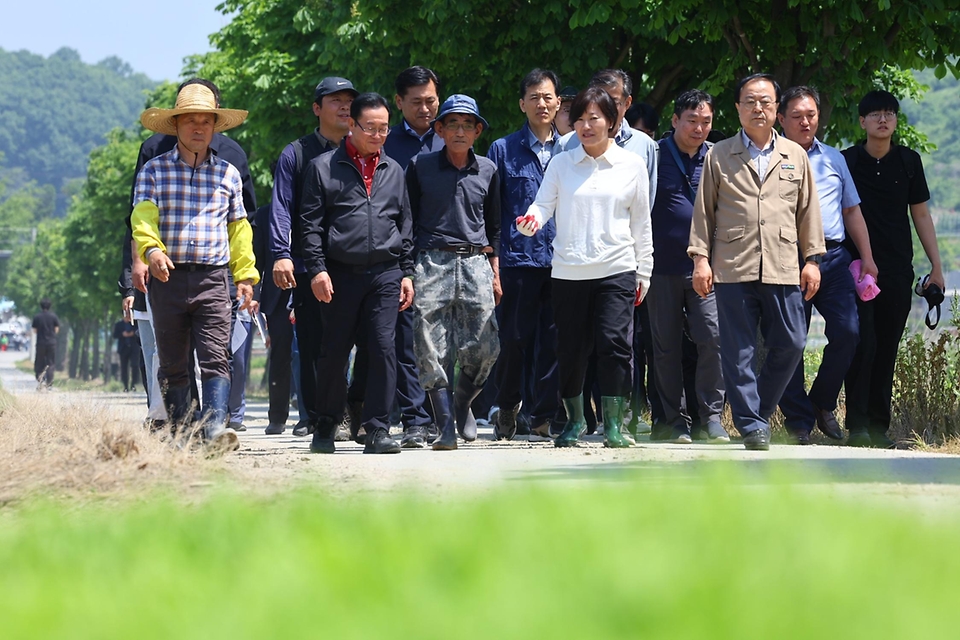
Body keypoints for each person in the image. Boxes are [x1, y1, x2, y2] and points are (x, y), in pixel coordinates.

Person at [688, 73, 824, 451]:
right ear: (737, 108)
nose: (758, 108)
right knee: (738, 350)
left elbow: (808, 213)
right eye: (750, 101)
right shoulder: (719, 154)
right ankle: (751, 426)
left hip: (783, 262)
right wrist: (700, 259)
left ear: (776, 108)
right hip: (732, 263)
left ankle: (756, 413)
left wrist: (812, 260)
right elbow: (704, 213)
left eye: (765, 101)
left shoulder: (795, 155)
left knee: (793, 342)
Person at [517, 87, 653, 448]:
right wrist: (530, 220)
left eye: (594, 118)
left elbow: (642, 223)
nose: (586, 126)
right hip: (569, 271)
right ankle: (575, 421)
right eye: (579, 119)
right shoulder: (562, 164)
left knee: (614, 346)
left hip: (618, 268)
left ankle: (612, 426)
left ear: (612, 121)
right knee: (571, 349)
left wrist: (645, 271)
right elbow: (542, 205)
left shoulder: (632, 165)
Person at [120, 78, 257, 429]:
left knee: (216, 358)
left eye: (206, 120)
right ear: (176, 124)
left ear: (215, 126)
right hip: (169, 278)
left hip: (213, 279)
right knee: (172, 362)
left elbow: (239, 228)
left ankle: (212, 432)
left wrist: (245, 275)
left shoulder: (229, 173)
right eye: (191, 120)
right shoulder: (154, 170)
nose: (199, 128)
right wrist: (150, 251)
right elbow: (142, 217)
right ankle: (182, 433)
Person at [299, 92, 414, 455]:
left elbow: (405, 225)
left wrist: (407, 273)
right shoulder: (322, 168)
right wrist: (317, 269)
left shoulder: (393, 170)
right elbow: (310, 226)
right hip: (339, 273)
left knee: (382, 349)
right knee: (334, 351)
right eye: (371, 128)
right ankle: (327, 423)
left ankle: (377, 428)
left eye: (384, 128)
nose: (379, 135)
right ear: (352, 124)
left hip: (385, 272)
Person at [776, 86, 878, 445]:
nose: (806, 122)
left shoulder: (834, 158)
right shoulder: (769, 158)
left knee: (849, 333)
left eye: (812, 115)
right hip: (786, 258)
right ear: (781, 118)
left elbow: (851, 210)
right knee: (791, 341)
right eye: (798, 116)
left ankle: (821, 402)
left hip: (834, 258)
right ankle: (798, 422)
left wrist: (866, 257)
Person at [842, 90, 944, 448]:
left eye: (889, 113)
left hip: (898, 268)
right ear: (862, 122)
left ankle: (878, 427)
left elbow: (920, 214)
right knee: (860, 344)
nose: (883, 120)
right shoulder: (848, 161)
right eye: (875, 114)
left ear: (895, 120)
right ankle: (856, 426)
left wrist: (936, 265)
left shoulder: (908, 161)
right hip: (855, 267)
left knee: (886, 347)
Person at [406, 94, 501, 451]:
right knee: (430, 345)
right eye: (452, 125)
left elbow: (495, 227)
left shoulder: (488, 170)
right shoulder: (420, 166)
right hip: (432, 260)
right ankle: (445, 426)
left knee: (485, 346)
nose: (460, 131)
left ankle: (462, 402)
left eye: (467, 125)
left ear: (477, 131)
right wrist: (408, 269)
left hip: (476, 261)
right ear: (440, 129)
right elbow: (408, 220)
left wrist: (495, 271)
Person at [269, 76, 358, 438]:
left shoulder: (363, 148)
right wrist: (280, 254)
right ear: (317, 108)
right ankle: (314, 414)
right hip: (308, 265)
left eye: (348, 100)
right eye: (334, 100)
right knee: (311, 343)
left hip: (353, 263)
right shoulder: (296, 153)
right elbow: (281, 207)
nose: (343, 106)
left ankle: (351, 412)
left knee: (355, 341)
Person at [647, 89, 728, 444]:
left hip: (707, 268)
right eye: (692, 120)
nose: (699, 128)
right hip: (660, 265)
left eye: (706, 121)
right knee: (665, 347)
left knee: (712, 338)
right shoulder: (653, 156)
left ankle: (711, 417)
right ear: (675, 120)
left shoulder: (718, 158)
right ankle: (672, 420)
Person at [487, 68, 563, 442]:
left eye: (548, 96)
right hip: (518, 260)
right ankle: (507, 405)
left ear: (559, 102)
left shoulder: (574, 150)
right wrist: (494, 263)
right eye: (533, 97)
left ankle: (544, 416)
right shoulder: (502, 150)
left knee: (553, 343)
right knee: (514, 340)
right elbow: (493, 211)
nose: (541, 103)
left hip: (564, 262)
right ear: (522, 104)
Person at [32, 298, 59, 390]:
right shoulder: (53, 317)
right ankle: (49, 384)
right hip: (51, 343)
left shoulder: (37, 317)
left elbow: (35, 330)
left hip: (40, 343)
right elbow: (56, 330)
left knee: (39, 362)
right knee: (50, 363)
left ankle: (41, 381)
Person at [113, 318, 140, 392]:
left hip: (134, 349)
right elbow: (115, 335)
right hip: (123, 349)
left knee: (135, 366)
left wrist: (133, 333)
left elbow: (139, 332)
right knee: (124, 368)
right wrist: (122, 334)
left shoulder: (135, 324)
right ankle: (125, 386)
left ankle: (133, 385)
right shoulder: (118, 324)